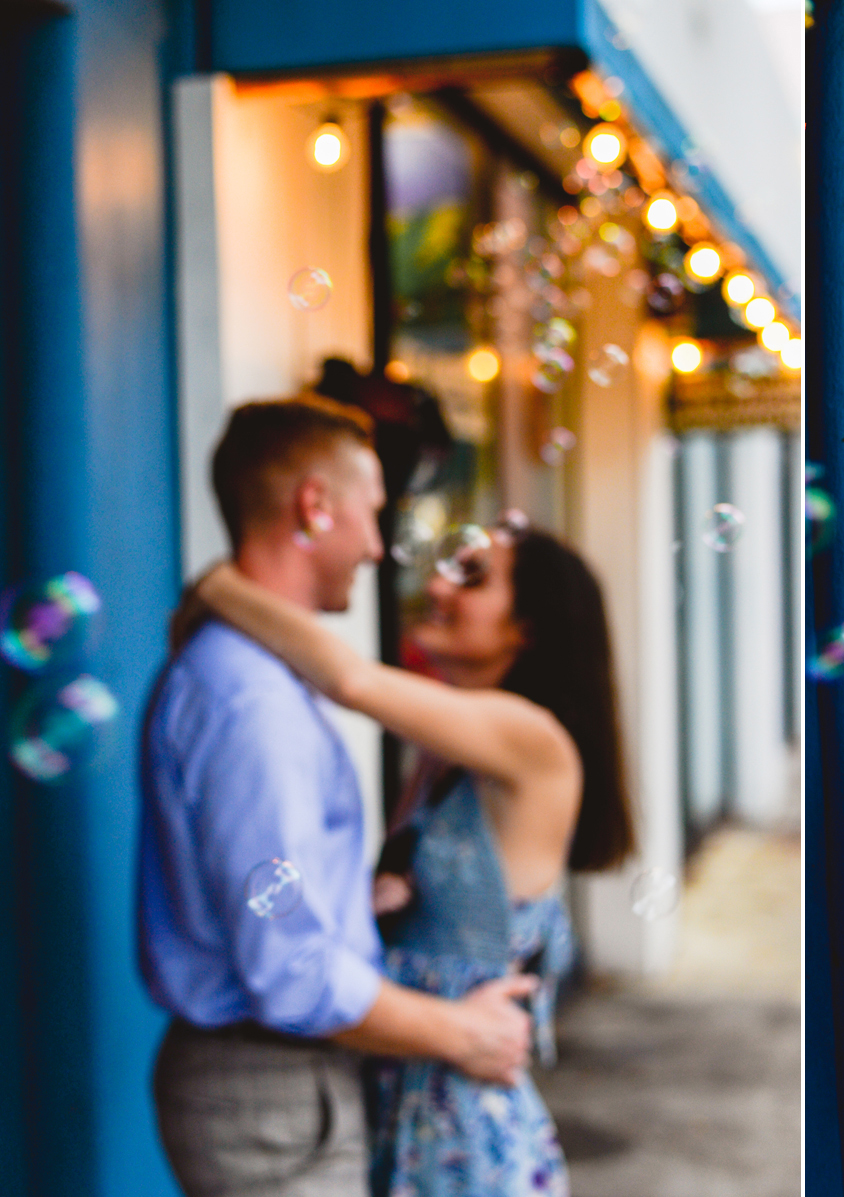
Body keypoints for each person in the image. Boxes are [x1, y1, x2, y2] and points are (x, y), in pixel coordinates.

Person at [140, 396, 538, 1197]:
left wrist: (346, 901)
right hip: (272, 1086)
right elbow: (289, 973)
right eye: (371, 512)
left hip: (279, 1080)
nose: (376, 546)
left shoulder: (248, 676)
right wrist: (463, 1033)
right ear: (314, 507)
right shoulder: (253, 702)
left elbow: (263, 902)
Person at [192, 512, 635, 1197]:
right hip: (404, 1096)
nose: (437, 585)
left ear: (527, 628)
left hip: (456, 1132)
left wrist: (218, 586)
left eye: (471, 576)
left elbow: (352, 682)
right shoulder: (450, 754)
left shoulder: (530, 735)